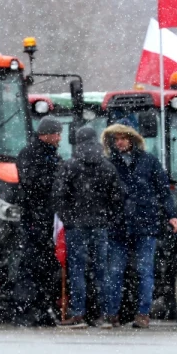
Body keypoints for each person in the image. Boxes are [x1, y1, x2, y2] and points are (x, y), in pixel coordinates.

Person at [102, 122, 177, 329]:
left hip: (144, 223)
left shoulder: (149, 162)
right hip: (119, 224)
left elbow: (164, 191)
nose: (119, 142)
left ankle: (143, 313)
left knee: (144, 270)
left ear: (132, 139)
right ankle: (112, 314)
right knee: (116, 271)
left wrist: (172, 215)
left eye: (123, 138)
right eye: (116, 139)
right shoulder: (109, 164)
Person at [52, 126, 124, 328]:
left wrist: (68, 218)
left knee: (77, 269)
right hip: (100, 225)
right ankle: (105, 314)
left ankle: (78, 314)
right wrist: (108, 218)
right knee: (102, 270)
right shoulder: (107, 166)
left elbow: (59, 195)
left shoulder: (70, 165)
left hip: (76, 226)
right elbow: (117, 197)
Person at [13, 115, 64, 327]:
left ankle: (42, 307)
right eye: (57, 133)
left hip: (46, 217)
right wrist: (55, 179)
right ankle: (26, 309)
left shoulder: (50, 155)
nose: (60, 137)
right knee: (31, 264)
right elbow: (32, 183)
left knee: (45, 265)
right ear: (47, 135)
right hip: (35, 217)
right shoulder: (30, 155)